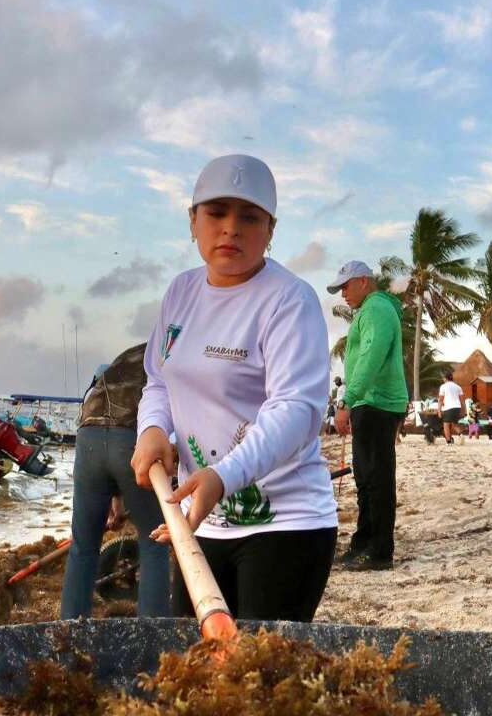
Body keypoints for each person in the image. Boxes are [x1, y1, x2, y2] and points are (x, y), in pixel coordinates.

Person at [130, 154, 338, 622]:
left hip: (286, 525)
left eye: (249, 217)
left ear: (270, 230)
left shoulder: (289, 299)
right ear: (193, 221)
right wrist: (153, 430)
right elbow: (159, 380)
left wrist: (225, 476)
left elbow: (296, 410)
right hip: (200, 521)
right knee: (198, 660)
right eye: (217, 212)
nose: (231, 229)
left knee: (262, 665)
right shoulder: (181, 292)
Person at [60, 343, 169, 619]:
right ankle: (152, 635)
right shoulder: (173, 351)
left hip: (89, 437)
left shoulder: (129, 355)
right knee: (154, 542)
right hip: (132, 437)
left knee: (83, 547)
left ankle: (70, 632)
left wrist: (117, 499)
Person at [329, 260, 408, 571]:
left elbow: (371, 355)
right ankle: (364, 542)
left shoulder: (376, 308)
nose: (343, 294)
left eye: (346, 286)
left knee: (376, 479)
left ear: (363, 281)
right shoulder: (372, 309)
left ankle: (378, 551)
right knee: (366, 477)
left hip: (376, 403)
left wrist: (347, 400)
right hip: (371, 402)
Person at [437, 371, 464, 445]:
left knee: (446, 425)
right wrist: (463, 411)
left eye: (443, 378)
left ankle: (448, 442)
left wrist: (439, 410)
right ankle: (461, 434)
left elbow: (440, 399)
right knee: (454, 424)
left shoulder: (443, 386)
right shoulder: (458, 387)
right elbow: (462, 401)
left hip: (448, 407)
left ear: (445, 378)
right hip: (457, 407)